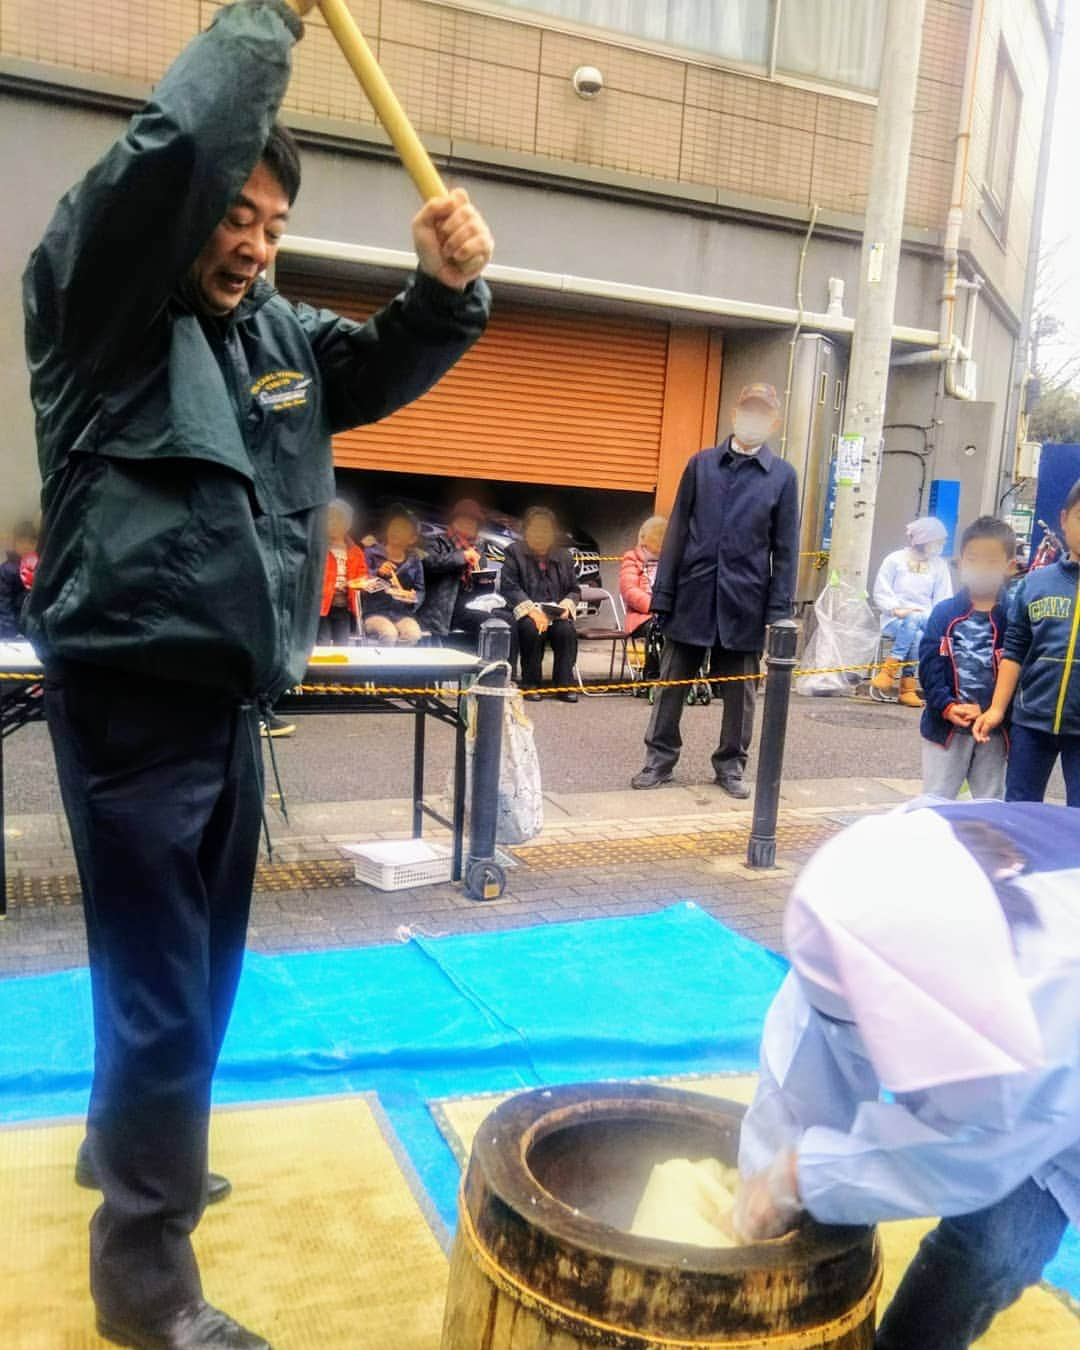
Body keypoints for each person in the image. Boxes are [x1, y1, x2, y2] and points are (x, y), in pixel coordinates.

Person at [21, 2, 493, 1345]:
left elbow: (387, 360)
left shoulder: (274, 337)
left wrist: (446, 289)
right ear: (184, 210)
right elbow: (170, 155)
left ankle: (135, 1150)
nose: (253, 242)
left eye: (276, 226)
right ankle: (145, 1276)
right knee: (165, 976)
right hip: (132, 696)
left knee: (195, 966)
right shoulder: (96, 303)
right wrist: (265, 23)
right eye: (236, 215)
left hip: (230, 697)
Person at [734, 801, 1080, 1349]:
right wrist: (769, 1166)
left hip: (1059, 1074)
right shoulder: (868, 894)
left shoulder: (1051, 991)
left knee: (995, 1242)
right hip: (1014, 1079)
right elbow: (808, 1046)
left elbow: (968, 1152)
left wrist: (802, 1177)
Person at [631, 383, 798, 796]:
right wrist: (663, 597)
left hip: (746, 600)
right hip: (692, 593)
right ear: (734, 414)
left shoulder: (782, 476)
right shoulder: (701, 465)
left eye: (763, 413)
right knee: (672, 684)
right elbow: (676, 535)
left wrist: (778, 611)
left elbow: (786, 549)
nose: (753, 419)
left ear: (774, 423)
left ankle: (730, 766)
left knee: (741, 694)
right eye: (748, 410)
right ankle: (659, 760)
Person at [974, 478, 1080, 805]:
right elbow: (1015, 651)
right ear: (1064, 520)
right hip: (1032, 721)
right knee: (1019, 808)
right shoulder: (1035, 584)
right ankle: (1020, 859)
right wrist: (995, 709)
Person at [917, 516, 1014, 800]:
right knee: (936, 804)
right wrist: (946, 706)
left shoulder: (1015, 617)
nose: (981, 568)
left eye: (992, 561)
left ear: (1009, 565)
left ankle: (984, 847)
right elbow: (930, 667)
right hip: (945, 727)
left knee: (991, 806)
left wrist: (992, 712)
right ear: (960, 561)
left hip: (995, 733)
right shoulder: (944, 613)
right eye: (973, 558)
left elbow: (1019, 673)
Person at [500, 506, 580, 702]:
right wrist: (531, 610)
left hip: (554, 612)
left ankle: (564, 685)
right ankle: (530, 684)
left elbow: (574, 589)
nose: (540, 534)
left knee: (566, 630)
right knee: (531, 627)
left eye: (546, 530)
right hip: (527, 612)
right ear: (525, 531)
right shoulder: (514, 552)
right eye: (535, 529)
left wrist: (566, 605)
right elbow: (509, 586)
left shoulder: (564, 556)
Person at [871, 516, 953, 707]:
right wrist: (895, 609)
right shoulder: (894, 560)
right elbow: (881, 589)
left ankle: (888, 672)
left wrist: (934, 618)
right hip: (895, 619)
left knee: (916, 621)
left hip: (926, 619)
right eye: (937, 541)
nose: (940, 545)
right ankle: (907, 688)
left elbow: (943, 597)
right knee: (914, 634)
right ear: (924, 540)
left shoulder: (939, 565)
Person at [418, 498, 516, 656]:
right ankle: (487, 669)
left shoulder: (478, 547)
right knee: (488, 625)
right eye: (463, 521)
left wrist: (485, 581)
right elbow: (429, 563)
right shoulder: (436, 542)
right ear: (454, 522)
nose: (468, 525)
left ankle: (505, 670)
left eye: (472, 522)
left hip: (469, 607)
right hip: (441, 612)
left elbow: (481, 591)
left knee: (506, 622)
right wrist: (462, 556)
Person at [363, 505, 426, 645]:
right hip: (375, 613)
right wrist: (378, 573)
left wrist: (413, 599)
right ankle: (382, 666)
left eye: (403, 528)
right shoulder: (371, 553)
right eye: (394, 525)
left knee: (413, 634)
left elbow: (420, 590)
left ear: (412, 538)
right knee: (389, 633)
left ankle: (400, 666)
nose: (396, 530)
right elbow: (360, 581)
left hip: (402, 614)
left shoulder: (414, 560)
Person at [620, 514, 667, 683]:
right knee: (657, 628)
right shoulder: (632, 558)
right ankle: (652, 675)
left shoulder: (671, 560)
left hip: (667, 613)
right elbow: (629, 590)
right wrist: (657, 606)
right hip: (642, 617)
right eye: (657, 537)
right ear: (644, 538)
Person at [318, 496, 370, 646]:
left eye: (338, 520)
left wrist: (361, 582)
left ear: (347, 524)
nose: (333, 523)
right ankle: (324, 670)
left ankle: (338, 670)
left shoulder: (355, 550)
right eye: (329, 519)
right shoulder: (320, 548)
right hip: (323, 606)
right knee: (323, 643)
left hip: (344, 606)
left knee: (343, 643)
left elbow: (362, 573)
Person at [0, 519, 37, 640]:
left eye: (31, 542)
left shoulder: (40, 567)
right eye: (21, 541)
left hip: (34, 629)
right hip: (12, 628)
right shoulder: (6, 570)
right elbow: (3, 600)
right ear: (14, 543)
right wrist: (8, 631)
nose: (26, 546)